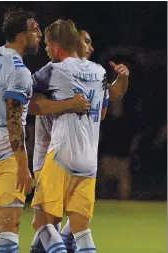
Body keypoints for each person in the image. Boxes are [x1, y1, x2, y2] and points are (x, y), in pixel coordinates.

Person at [0, 9, 90, 253]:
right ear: (21, 36)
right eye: (34, 30)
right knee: (10, 224)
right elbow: (14, 120)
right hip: (6, 155)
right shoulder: (19, 71)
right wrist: (22, 165)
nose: (39, 35)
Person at [29, 28, 129, 253]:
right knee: (77, 230)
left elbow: (26, 101)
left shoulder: (56, 71)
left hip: (56, 157)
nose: (90, 47)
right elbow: (106, 107)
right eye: (86, 42)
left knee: (43, 223)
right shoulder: (98, 72)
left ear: (57, 46)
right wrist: (122, 81)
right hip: (87, 160)